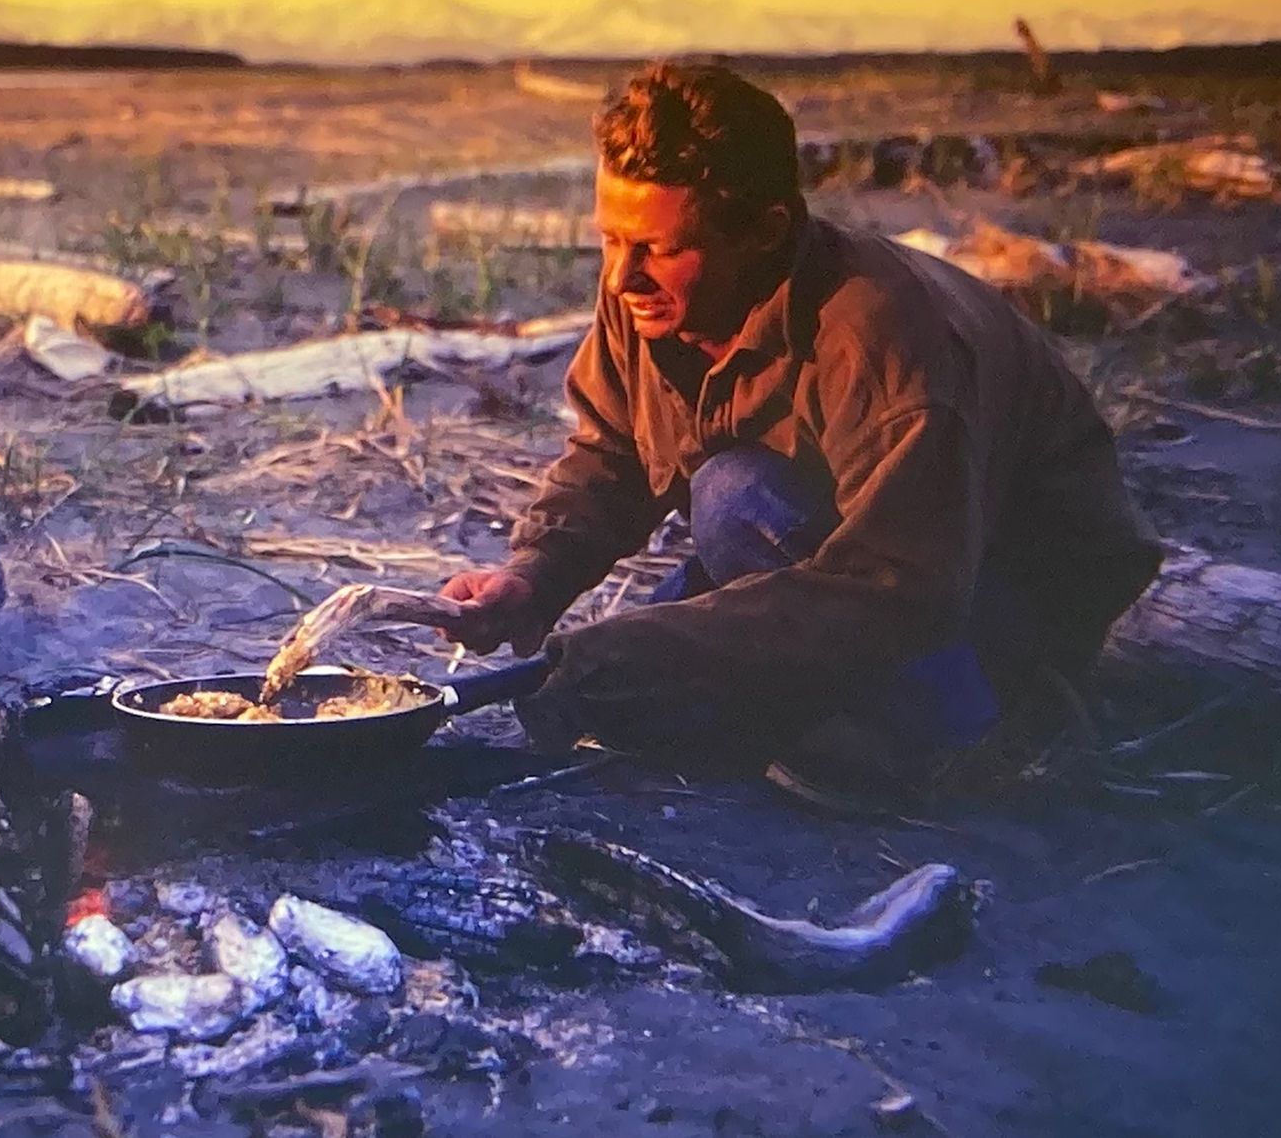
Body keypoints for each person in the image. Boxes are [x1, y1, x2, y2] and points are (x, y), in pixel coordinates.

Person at [436, 61, 1162, 812]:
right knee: (593, 691)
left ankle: (962, 739)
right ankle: (810, 714)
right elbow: (613, 452)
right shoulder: (652, 294)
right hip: (835, 559)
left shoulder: (881, 339)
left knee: (725, 507)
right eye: (612, 240)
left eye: (657, 247)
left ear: (766, 231)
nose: (622, 277)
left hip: (992, 608)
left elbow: (901, 587)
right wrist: (533, 576)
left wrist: (668, 645)